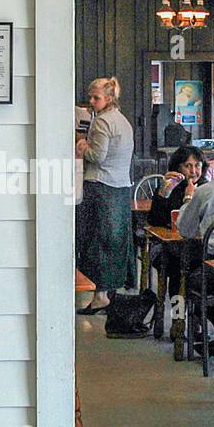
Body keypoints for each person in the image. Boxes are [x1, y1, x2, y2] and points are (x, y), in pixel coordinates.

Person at [76, 76, 135, 314]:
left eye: (96, 97)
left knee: (96, 241)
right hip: (120, 187)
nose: (91, 101)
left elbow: (97, 156)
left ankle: (99, 294)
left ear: (109, 98)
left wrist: (82, 145)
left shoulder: (101, 122)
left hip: (100, 186)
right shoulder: (122, 121)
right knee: (115, 241)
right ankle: (111, 291)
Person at [147, 144, 206, 228]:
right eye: (187, 166)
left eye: (197, 166)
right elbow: (154, 221)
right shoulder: (171, 185)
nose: (193, 171)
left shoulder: (205, 187)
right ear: (178, 167)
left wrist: (189, 197)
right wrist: (163, 194)